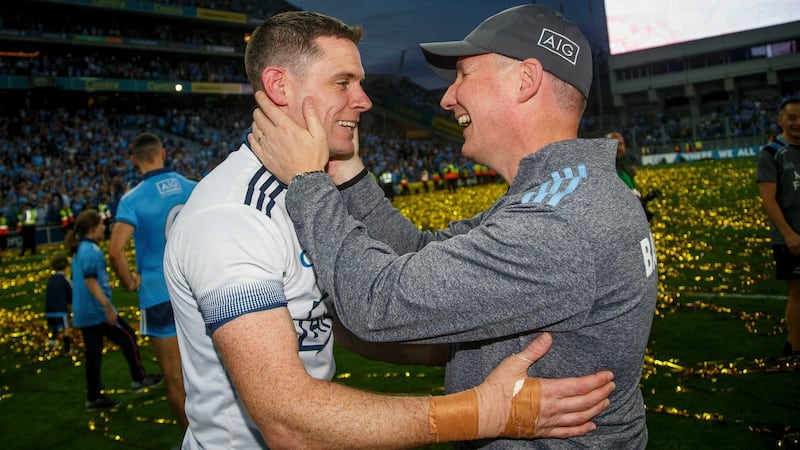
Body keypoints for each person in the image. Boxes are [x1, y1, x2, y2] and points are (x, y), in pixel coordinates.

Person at [163, 11, 615, 449]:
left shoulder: (312, 192)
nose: (364, 100)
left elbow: (361, 304)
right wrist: (479, 410)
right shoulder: (230, 217)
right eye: (343, 83)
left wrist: (456, 350)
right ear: (280, 86)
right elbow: (289, 422)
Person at [109, 133, 196, 429]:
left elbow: (115, 251)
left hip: (159, 293)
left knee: (175, 377)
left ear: (134, 160)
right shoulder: (192, 187)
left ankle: (195, 444)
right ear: (164, 153)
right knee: (216, 368)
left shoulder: (132, 199)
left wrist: (130, 283)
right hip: (197, 288)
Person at [65, 209, 163, 411]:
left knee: (93, 354)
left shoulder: (80, 249)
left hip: (84, 312)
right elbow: (90, 281)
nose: (104, 228)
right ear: (93, 229)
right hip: (97, 311)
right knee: (127, 337)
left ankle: (93, 396)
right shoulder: (90, 251)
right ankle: (139, 378)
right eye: (101, 225)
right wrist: (107, 306)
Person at [756, 95, 800, 358]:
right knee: (798, 293)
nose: (797, 123)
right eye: (792, 117)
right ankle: (795, 349)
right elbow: (768, 200)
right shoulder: (771, 153)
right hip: (791, 237)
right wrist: (788, 234)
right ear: (780, 120)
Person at [607, 131, 661, 222]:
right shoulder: (609, 173)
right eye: (615, 145)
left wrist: (644, 200)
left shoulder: (626, 169)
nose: (620, 148)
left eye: (621, 144)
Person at [44, 255, 73, 354]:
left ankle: (52, 339)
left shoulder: (51, 280)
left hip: (49, 309)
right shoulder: (65, 280)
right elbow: (71, 293)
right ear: (66, 267)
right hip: (60, 309)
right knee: (65, 327)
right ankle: (67, 349)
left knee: (55, 325)